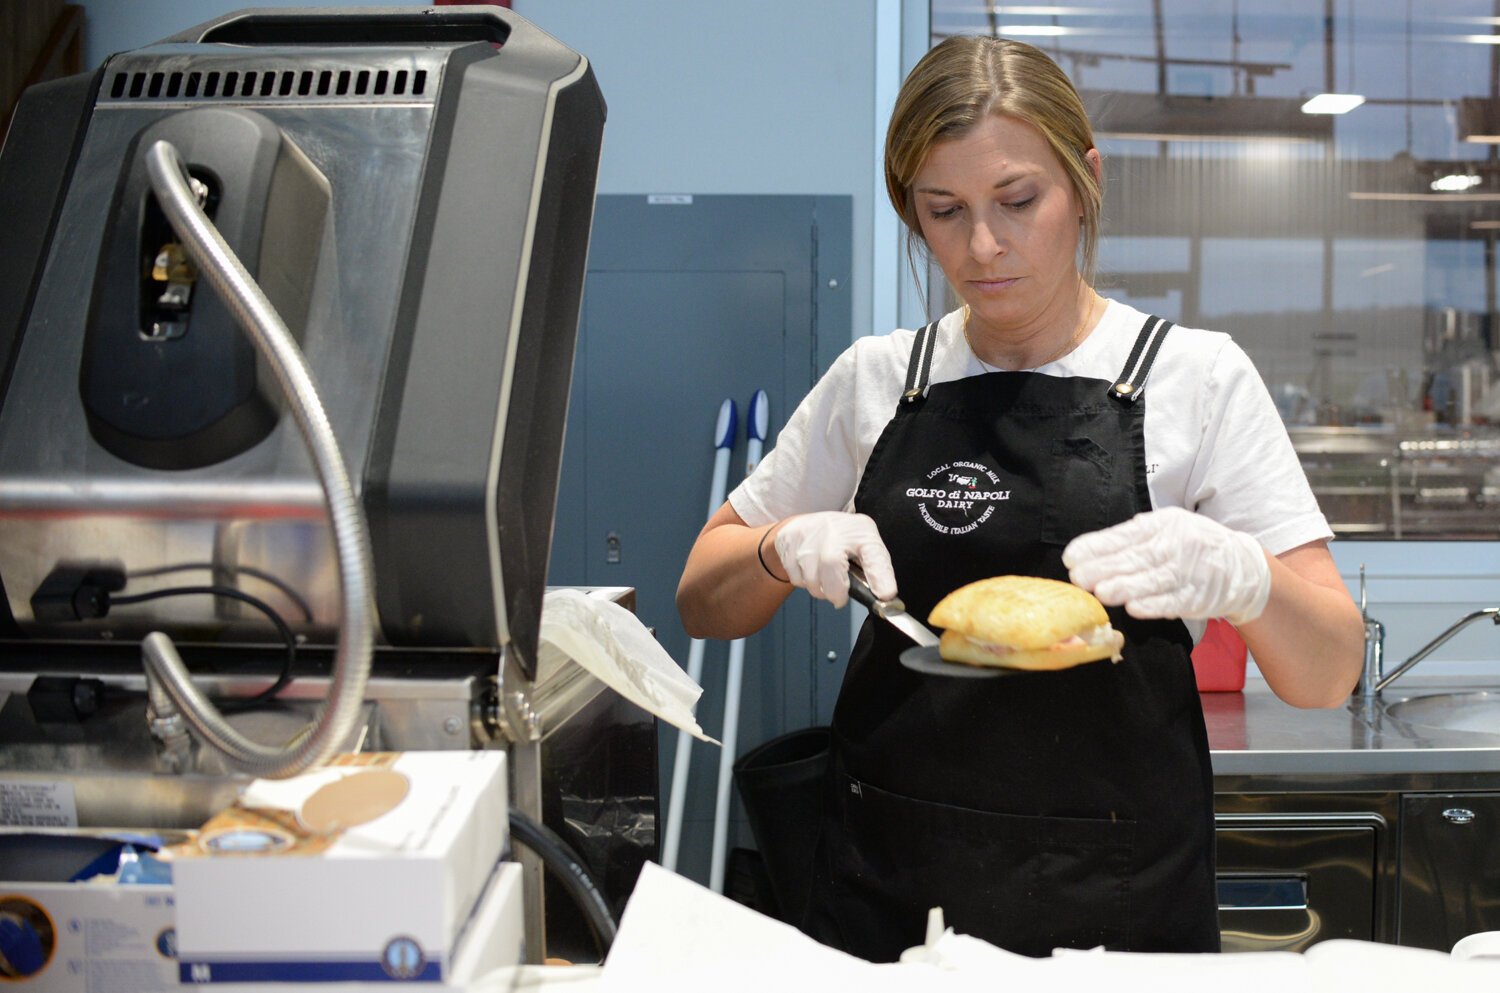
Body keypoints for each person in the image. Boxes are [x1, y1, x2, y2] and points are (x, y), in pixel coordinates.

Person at [677, 35, 1364, 961]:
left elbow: (1326, 675)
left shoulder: (1193, 378)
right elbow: (700, 598)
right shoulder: (880, 380)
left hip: (1119, 909)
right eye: (944, 210)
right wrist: (775, 545)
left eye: (1017, 201)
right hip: (891, 898)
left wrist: (1248, 581)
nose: (983, 245)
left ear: (1085, 180)